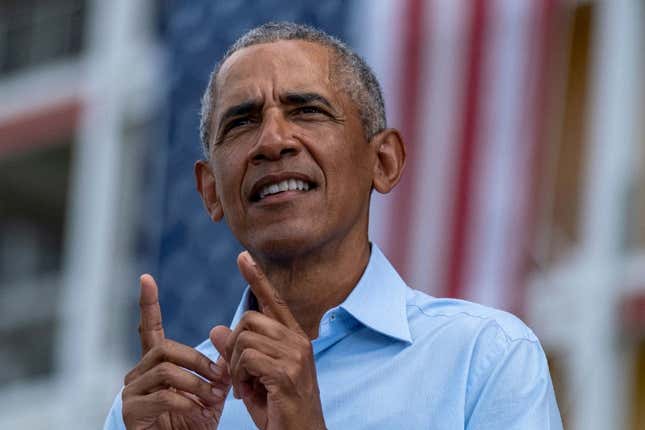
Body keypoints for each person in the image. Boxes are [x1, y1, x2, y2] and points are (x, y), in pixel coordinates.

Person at [105, 22, 563, 429]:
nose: (273, 141)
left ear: (382, 162)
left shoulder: (484, 358)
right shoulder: (161, 406)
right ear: (210, 192)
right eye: (242, 122)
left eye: (307, 111)